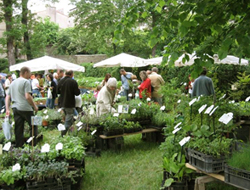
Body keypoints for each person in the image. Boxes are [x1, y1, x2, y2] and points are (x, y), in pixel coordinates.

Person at [5, 67, 38, 148]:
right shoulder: (26, 82)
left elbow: (7, 97)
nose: (30, 75)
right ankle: (33, 144)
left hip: (15, 108)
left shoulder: (12, 82)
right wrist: (34, 106)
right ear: (26, 72)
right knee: (35, 124)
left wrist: (7, 109)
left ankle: (19, 145)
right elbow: (27, 96)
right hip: (26, 108)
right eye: (30, 73)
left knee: (18, 128)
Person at [57, 70, 80, 136]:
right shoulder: (73, 81)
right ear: (72, 74)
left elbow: (57, 92)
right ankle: (62, 134)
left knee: (75, 117)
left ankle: (72, 132)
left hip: (61, 103)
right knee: (68, 120)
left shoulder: (60, 81)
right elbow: (77, 93)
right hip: (69, 103)